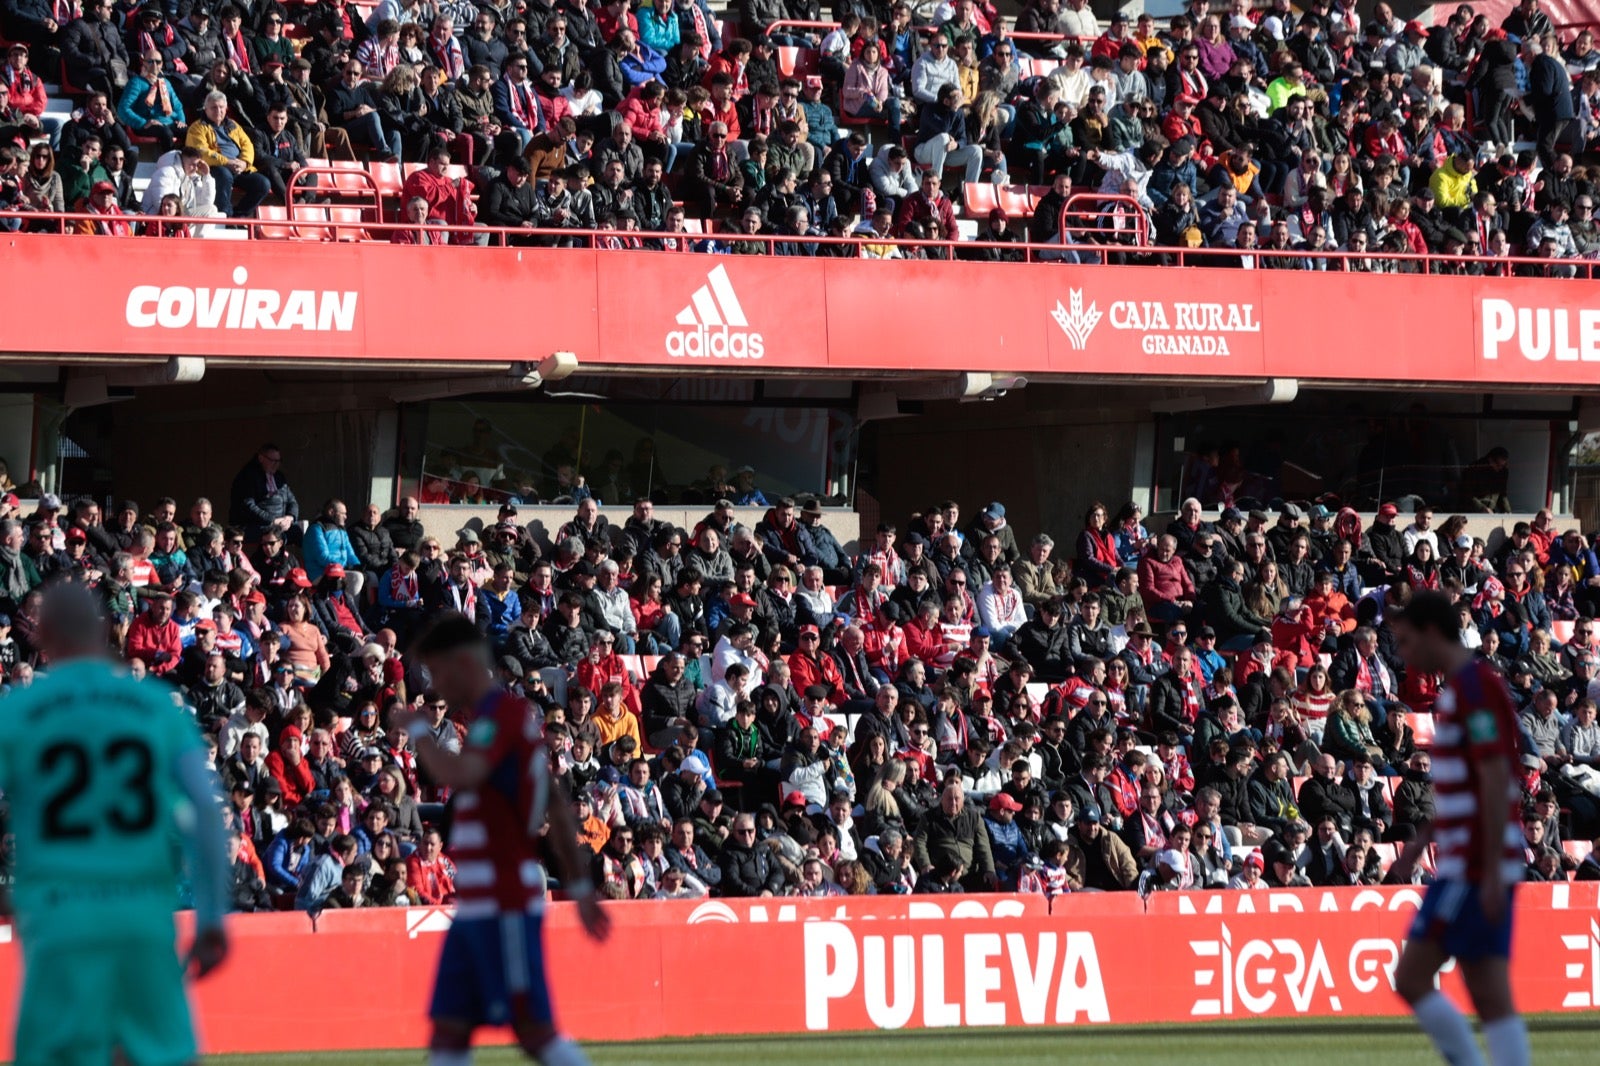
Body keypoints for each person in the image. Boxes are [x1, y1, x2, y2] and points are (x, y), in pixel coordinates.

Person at [0, 584, 229, 1066]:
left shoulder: (18, 711)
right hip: (140, 914)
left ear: (41, 635)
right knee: (161, 1054)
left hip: (59, 917)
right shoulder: (152, 705)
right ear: (103, 629)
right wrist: (210, 918)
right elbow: (206, 813)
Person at [404, 613, 610, 1066]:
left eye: (439, 672)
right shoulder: (491, 719)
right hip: (476, 902)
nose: (437, 684)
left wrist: (416, 728)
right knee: (448, 1031)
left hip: (504, 901)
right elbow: (554, 802)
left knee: (533, 1030)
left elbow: (458, 772)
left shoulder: (502, 715)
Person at [1391, 590, 1529, 1066]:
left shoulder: (1475, 689)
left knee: (1419, 978)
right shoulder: (1458, 691)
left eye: (1407, 642)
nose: (1404, 655)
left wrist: (1489, 869)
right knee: (1485, 990)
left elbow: (1495, 780)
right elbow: (1466, 786)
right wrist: (1422, 843)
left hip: (1474, 863)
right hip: (1465, 858)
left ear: (1432, 632)